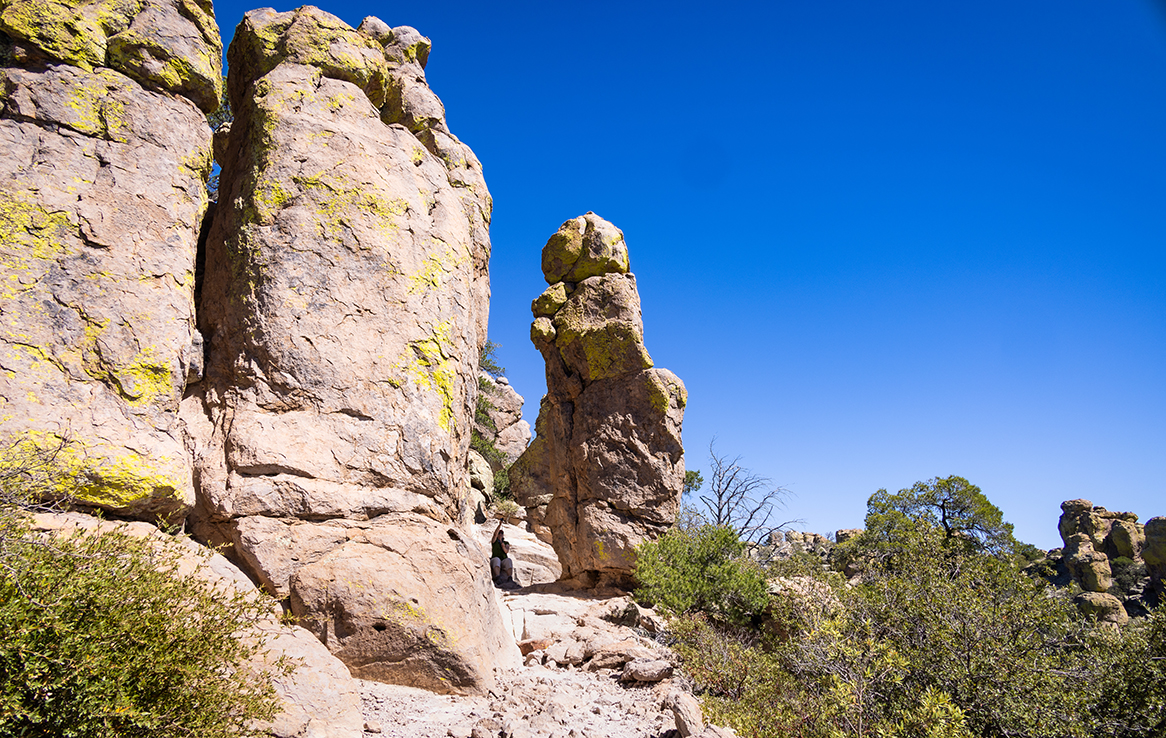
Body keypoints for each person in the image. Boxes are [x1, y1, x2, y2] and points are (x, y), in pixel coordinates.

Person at [491, 521, 515, 586]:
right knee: (496, 560)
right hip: (496, 557)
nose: (500, 534)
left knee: (508, 560)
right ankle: (497, 577)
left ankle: (510, 577)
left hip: (503, 559)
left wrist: (503, 546)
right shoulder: (494, 541)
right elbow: (495, 534)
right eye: (499, 533)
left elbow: (506, 551)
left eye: (502, 533)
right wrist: (500, 524)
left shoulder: (506, 543)